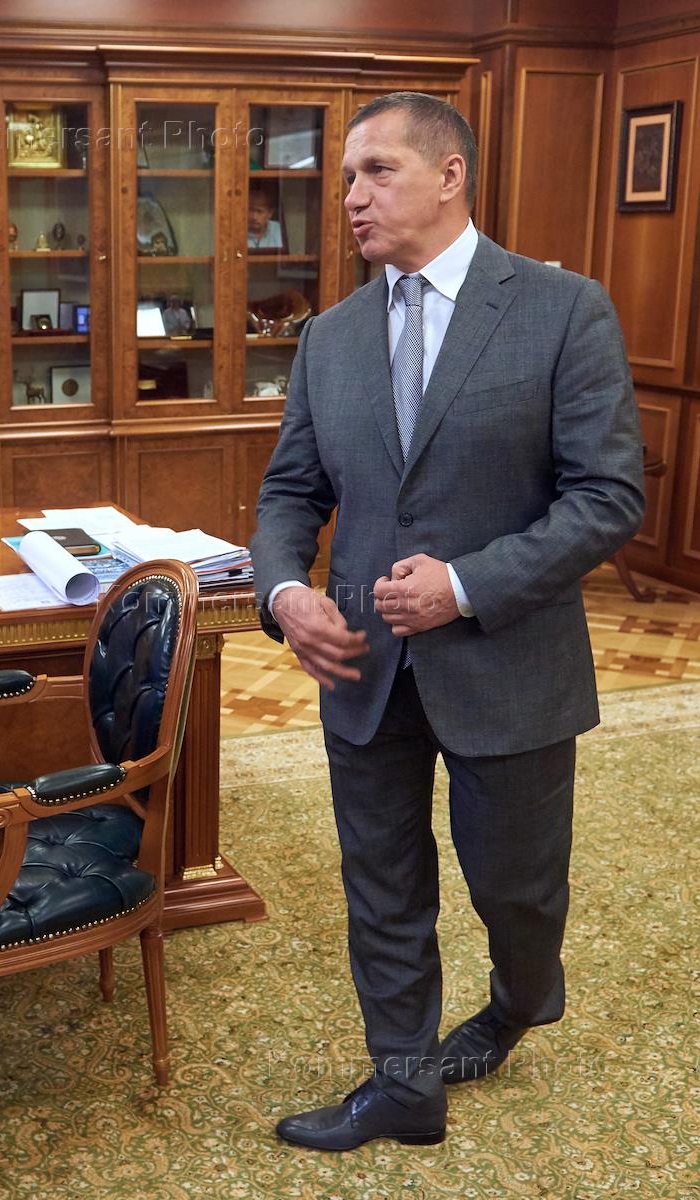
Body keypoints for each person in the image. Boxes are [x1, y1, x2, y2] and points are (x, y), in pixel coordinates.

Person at [250, 92, 645, 1153]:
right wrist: (286, 593)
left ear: (450, 175)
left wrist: (463, 585)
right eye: (345, 176)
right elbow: (290, 492)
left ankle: (519, 1001)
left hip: (507, 659)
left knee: (517, 890)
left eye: (376, 170)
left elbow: (607, 496)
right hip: (362, 664)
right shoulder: (329, 336)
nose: (351, 196)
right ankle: (403, 1082)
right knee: (380, 881)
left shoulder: (564, 311)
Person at [248, 185, 285, 249]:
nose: (254, 217)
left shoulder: (278, 230)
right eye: (250, 210)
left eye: (259, 211)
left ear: (270, 213)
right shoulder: (236, 231)